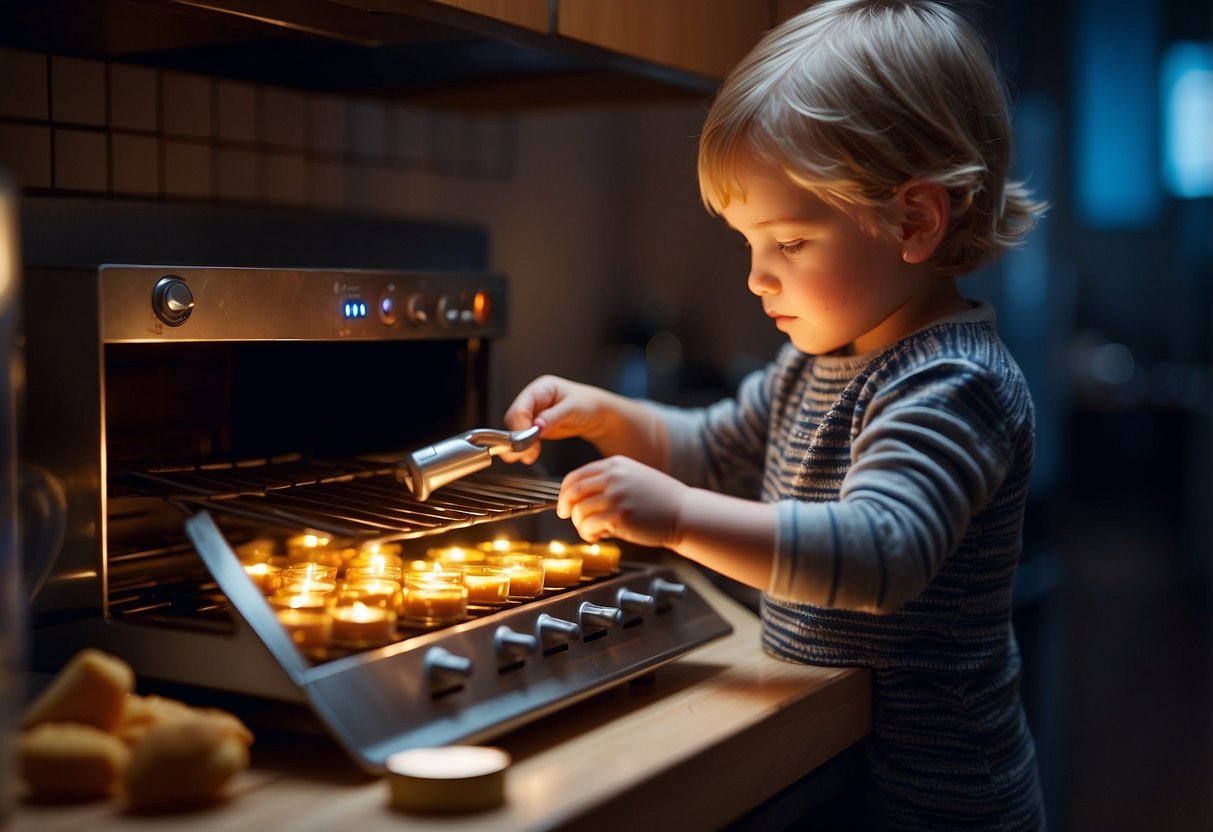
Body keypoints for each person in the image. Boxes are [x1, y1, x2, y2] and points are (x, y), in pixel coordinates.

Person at [502, 0, 1048, 827]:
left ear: (913, 220)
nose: (757, 277)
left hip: (941, 803)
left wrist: (678, 519)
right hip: (841, 762)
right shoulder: (818, 360)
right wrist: (605, 415)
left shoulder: (950, 382)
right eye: (746, 243)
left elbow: (877, 554)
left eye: (788, 243)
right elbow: (713, 448)